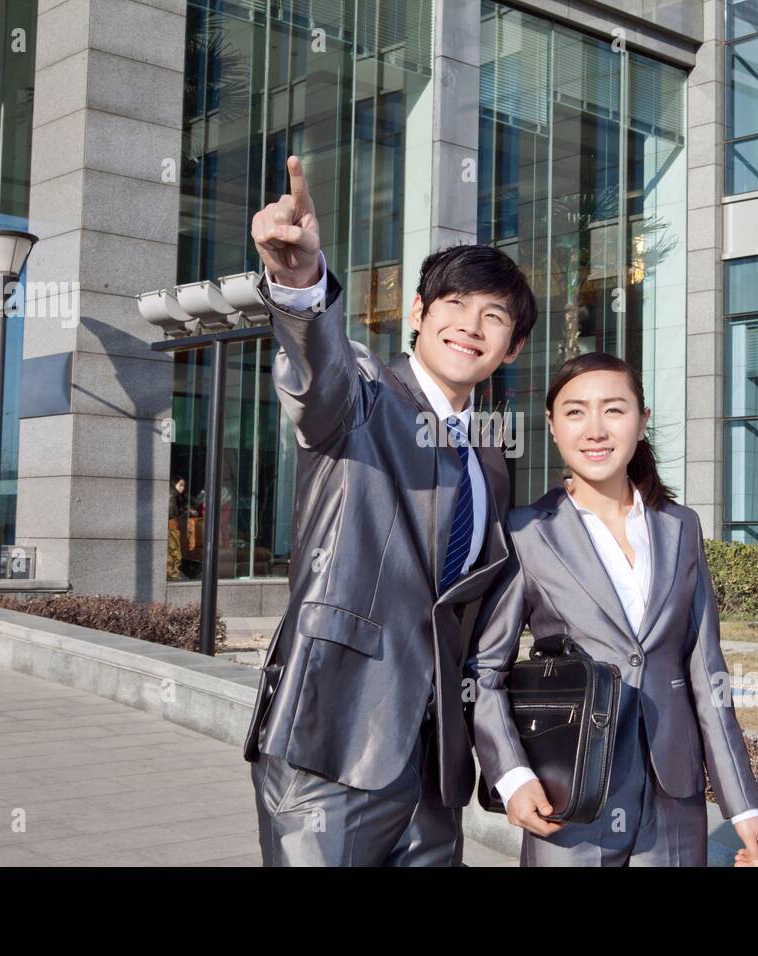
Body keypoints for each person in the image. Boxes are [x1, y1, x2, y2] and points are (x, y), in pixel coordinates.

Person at [243, 155, 539, 866]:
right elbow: (317, 375)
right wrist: (299, 282)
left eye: (493, 317)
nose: (471, 326)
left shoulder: (494, 457)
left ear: (511, 348)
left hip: (432, 769)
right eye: (455, 306)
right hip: (331, 744)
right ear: (417, 313)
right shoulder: (366, 398)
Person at [466, 351, 758, 867]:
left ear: (641, 420)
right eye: (575, 412)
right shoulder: (525, 531)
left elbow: (707, 675)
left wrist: (743, 807)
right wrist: (513, 776)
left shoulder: (681, 528)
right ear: (552, 424)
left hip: (671, 796)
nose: (595, 429)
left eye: (613, 410)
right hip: (570, 790)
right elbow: (485, 672)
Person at [166, 476, 190, 581]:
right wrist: (186, 513)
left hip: (173, 524)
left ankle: (173, 572)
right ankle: (173, 573)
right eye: (180, 485)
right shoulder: (172, 495)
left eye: (184, 485)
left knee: (174, 548)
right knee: (174, 549)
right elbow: (173, 513)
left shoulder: (177, 496)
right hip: (172, 524)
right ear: (174, 484)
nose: (182, 488)